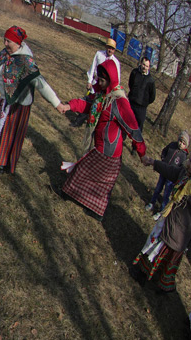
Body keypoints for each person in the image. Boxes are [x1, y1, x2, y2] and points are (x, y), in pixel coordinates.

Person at [0, 26, 67, 174]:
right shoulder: (5, 54)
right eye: (4, 40)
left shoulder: (26, 62)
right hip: (5, 99)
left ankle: (0, 164)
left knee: (6, 134)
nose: (5, 44)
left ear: (18, 43)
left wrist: (57, 104)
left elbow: (41, 84)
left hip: (18, 104)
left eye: (9, 41)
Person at [61, 60, 146, 219]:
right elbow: (87, 104)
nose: (99, 83)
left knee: (85, 173)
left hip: (109, 151)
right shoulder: (101, 95)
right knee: (93, 177)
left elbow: (133, 128)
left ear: (110, 79)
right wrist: (69, 106)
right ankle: (90, 204)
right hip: (100, 145)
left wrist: (142, 152)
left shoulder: (119, 101)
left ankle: (72, 195)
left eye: (102, 80)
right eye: (98, 79)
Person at [134, 153, 191, 292]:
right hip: (169, 219)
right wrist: (153, 162)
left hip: (180, 230)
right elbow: (172, 171)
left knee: (167, 255)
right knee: (155, 244)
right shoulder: (184, 173)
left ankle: (162, 285)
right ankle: (143, 273)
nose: (188, 164)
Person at [145, 131, 188, 215]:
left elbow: (180, 169)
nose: (181, 144)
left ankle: (161, 211)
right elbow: (164, 151)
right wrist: (163, 159)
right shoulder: (172, 145)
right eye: (180, 141)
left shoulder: (184, 156)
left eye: (183, 143)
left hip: (171, 179)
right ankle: (152, 202)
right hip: (163, 171)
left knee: (166, 194)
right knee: (158, 188)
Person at [128, 57, 157, 131]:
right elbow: (130, 84)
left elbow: (152, 96)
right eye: (143, 65)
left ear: (149, 67)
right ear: (141, 63)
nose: (144, 67)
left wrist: (145, 102)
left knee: (138, 129)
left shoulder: (151, 80)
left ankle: (135, 139)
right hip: (131, 103)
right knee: (126, 123)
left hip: (141, 108)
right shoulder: (134, 72)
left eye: (147, 66)